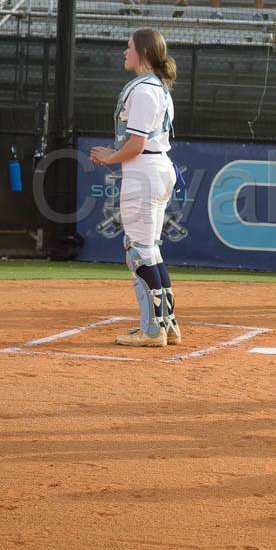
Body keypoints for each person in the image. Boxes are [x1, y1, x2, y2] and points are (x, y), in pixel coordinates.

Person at [89, 29, 180, 348]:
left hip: (145, 170)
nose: (124, 52)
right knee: (150, 248)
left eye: (128, 47)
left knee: (138, 251)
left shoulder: (144, 89)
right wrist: (116, 155)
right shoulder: (158, 87)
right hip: (156, 168)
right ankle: (167, 323)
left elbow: (137, 144)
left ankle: (152, 329)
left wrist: (110, 157)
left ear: (142, 51)